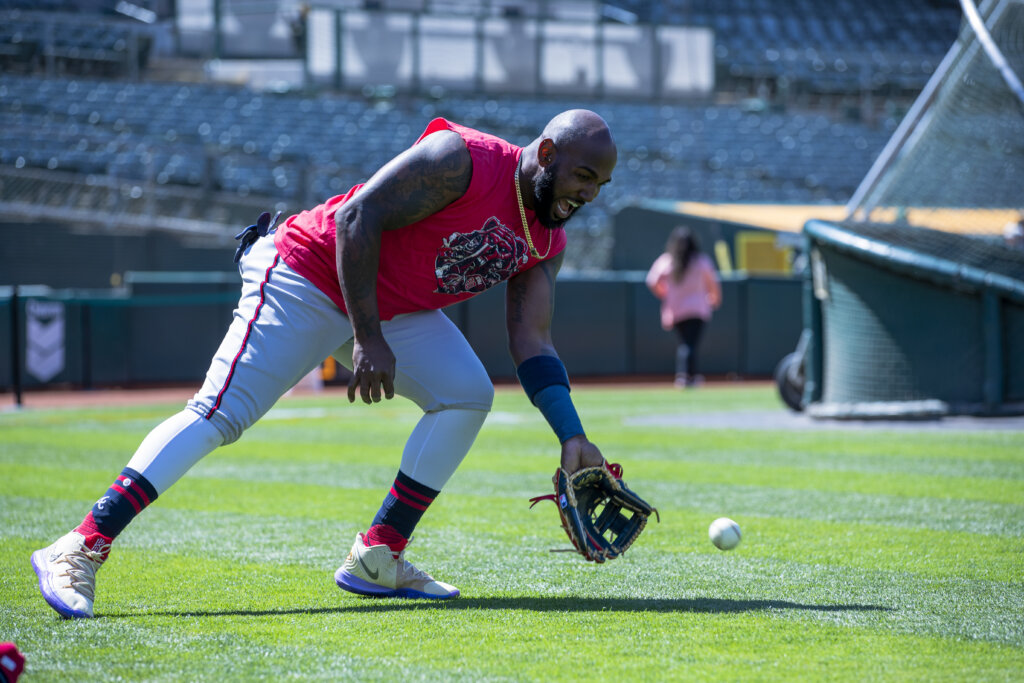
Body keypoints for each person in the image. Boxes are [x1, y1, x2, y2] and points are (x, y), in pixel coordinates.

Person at [31, 110, 617, 617]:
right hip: (308, 273)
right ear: (546, 154)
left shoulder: (548, 238)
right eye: (583, 176)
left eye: (601, 184)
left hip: (389, 306)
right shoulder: (463, 158)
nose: (588, 194)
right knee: (219, 414)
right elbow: (355, 219)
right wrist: (367, 338)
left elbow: (532, 341)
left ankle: (379, 554)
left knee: (467, 393)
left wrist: (573, 436)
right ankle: (81, 544)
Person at [645, 226, 721, 388]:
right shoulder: (701, 261)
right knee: (689, 344)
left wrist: (664, 293)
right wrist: (714, 299)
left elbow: (652, 280)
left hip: (676, 309)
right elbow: (713, 284)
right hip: (697, 309)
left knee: (686, 344)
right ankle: (686, 376)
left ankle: (688, 376)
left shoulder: (667, 260)